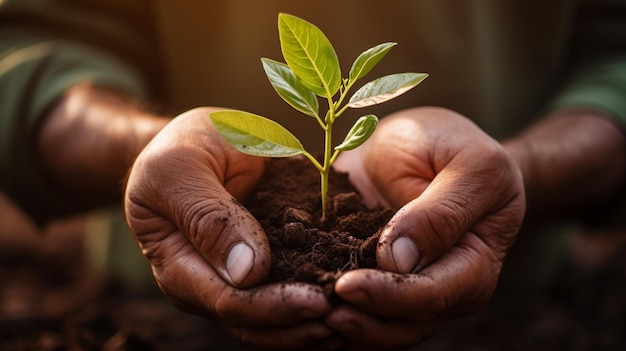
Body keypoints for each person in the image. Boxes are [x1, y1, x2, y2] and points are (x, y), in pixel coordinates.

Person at [1, 0, 625, 349]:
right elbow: (33, 42)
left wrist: (524, 171)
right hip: (155, 324)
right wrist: (145, 151)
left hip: (524, 322)